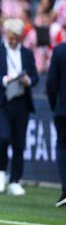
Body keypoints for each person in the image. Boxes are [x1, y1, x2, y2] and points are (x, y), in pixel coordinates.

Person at [0, 18, 39, 196]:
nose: (14, 40)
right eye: (11, 36)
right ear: (6, 34)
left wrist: (27, 80)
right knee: (4, 136)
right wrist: (3, 80)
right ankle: (0, 172)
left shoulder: (27, 54)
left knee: (19, 143)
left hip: (21, 102)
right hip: (1, 101)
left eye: (17, 37)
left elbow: (35, 77)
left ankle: (15, 180)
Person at [46, 30, 66, 207]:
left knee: (62, 146)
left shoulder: (60, 51)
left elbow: (51, 83)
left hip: (63, 109)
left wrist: (54, 104)